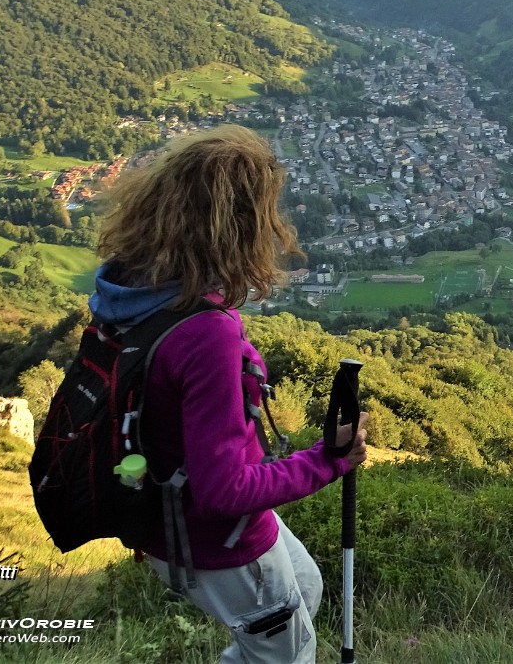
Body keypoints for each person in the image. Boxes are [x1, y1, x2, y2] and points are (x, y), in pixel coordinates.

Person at [89, 125, 367, 664]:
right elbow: (226, 490)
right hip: (213, 534)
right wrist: (328, 462)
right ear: (237, 226)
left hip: (162, 506)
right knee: (285, 655)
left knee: (303, 592)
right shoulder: (205, 333)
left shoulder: (131, 295)